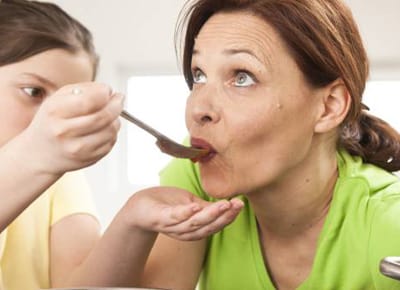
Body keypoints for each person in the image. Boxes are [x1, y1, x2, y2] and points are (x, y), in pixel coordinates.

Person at [132, 0, 400, 289]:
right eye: (199, 74)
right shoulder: (196, 175)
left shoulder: (397, 231)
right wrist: (132, 221)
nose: (198, 109)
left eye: (242, 78)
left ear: (329, 106)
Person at [0, 0, 242, 289]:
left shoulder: (59, 180)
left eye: (72, 101)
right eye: (33, 91)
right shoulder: (42, 161)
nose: (57, 115)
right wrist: (34, 155)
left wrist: (133, 220)